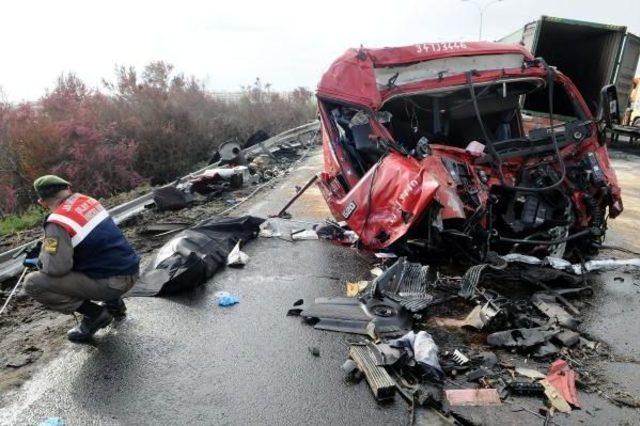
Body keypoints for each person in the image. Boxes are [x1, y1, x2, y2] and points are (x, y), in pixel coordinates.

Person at [23, 175, 140, 342]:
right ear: (68, 189)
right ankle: (115, 305)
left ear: (41, 202)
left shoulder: (57, 222)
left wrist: (41, 259)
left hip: (112, 284)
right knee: (93, 254)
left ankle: (96, 315)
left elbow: (56, 269)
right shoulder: (87, 201)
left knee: (33, 283)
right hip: (131, 270)